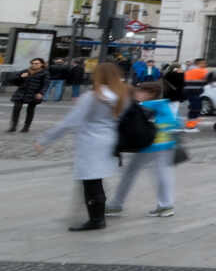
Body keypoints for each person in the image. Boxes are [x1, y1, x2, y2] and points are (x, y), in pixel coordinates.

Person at [36, 61, 127, 231]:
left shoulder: (93, 96)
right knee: (95, 180)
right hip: (110, 140)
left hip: (91, 142)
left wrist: (46, 139)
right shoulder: (120, 95)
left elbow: (70, 121)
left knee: (91, 181)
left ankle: (96, 219)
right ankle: (97, 216)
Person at [107, 81, 179, 217]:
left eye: (140, 91)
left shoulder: (148, 106)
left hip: (153, 145)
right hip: (160, 144)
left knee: (136, 173)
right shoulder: (161, 104)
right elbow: (173, 123)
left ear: (150, 93)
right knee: (158, 173)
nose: (137, 93)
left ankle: (116, 205)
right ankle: (165, 205)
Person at [9, 58, 48, 133]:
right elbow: (11, 80)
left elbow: (46, 84)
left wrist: (41, 93)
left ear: (41, 64)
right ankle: (13, 126)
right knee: (16, 108)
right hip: (21, 92)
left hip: (34, 93)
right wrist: (21, 77)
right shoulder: (25, 71)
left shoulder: (45, 73)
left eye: (36, 63)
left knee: (30, 110)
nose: (34, 65)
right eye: (33, 63)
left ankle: (26, 127)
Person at [182, 59, 208, 129]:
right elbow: (210, 77)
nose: (205, 65)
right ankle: (191, 125)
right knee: (196, 108)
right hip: (195, 91)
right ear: (199, 64)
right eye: (204, 63)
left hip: (189, 91)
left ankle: (191, 123)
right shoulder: (200, 70)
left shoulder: (189, 70)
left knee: (194, 107)